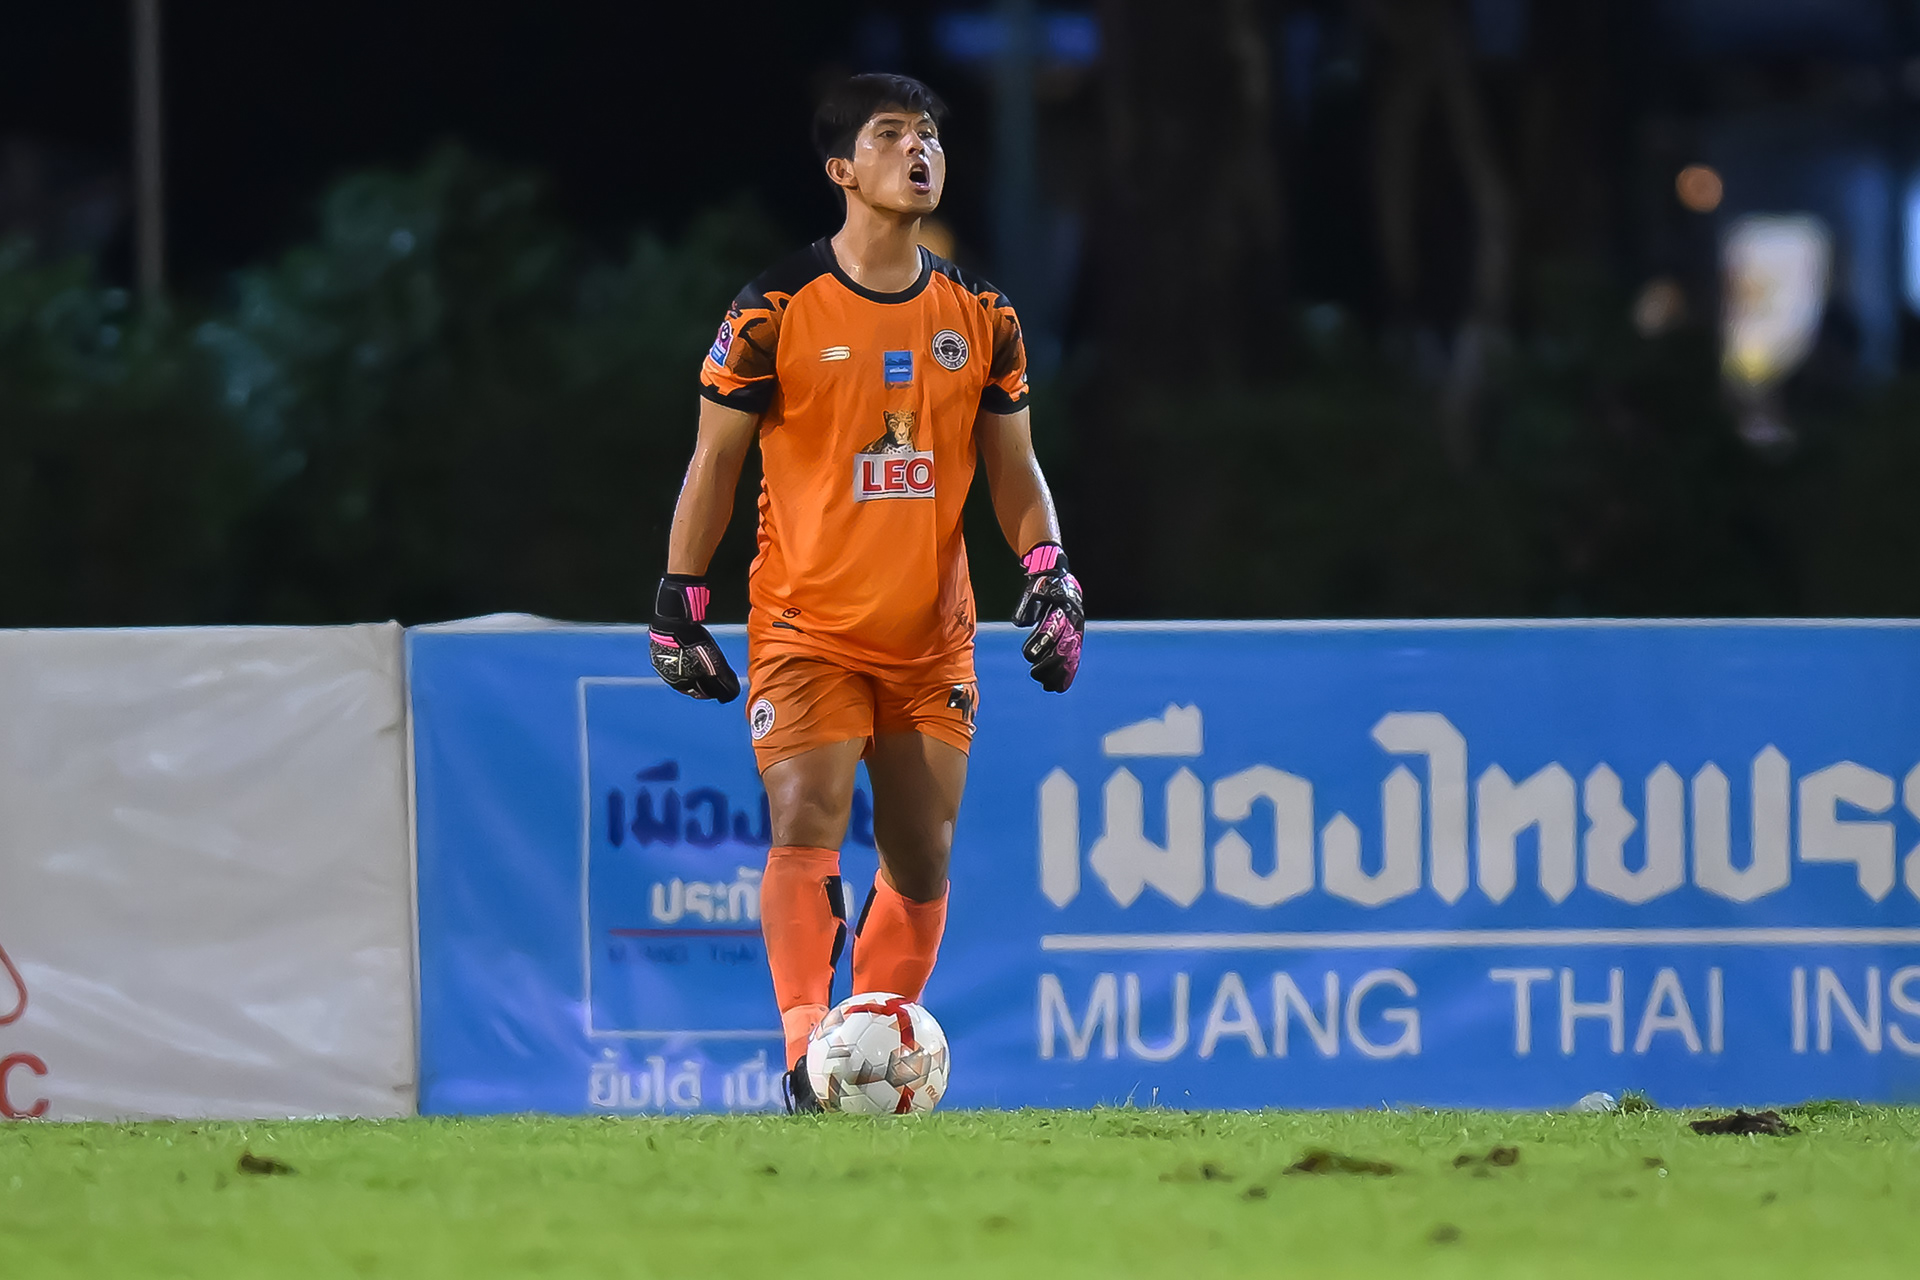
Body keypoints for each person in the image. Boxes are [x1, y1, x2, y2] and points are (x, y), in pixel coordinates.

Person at [647, 73, 1083, 1111]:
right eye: (892, 134)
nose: (920, 150)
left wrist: (1052, 571)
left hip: (932, 635)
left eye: (930, 135)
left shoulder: (983, 315)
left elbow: (1015, 469)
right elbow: (715, 460)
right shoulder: (772, 310)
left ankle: (874, 1049)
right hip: (805, 624)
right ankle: (810, 1054)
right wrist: (677, 599)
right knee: (805, 812)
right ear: (842, 168)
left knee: (920, 856)